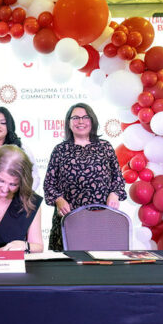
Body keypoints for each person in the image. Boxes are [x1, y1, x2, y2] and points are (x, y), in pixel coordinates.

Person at [43, 103, 126, 251]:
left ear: (92, 121)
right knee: (68, 268)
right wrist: (59, 200)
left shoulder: (105, 147)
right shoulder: (60, 150)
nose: (80, 121)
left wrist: (114, 194)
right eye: (75, 118)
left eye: (85, 117)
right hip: (70, 220)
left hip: (101, 219)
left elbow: (118, 179)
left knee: (100, 264)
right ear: (68, 123)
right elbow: (49, 184)